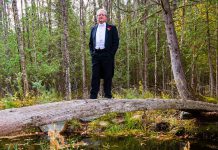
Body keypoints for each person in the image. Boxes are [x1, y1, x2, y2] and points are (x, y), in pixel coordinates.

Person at [89, 8, 119, 99]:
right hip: (96, 55)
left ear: (106, 17)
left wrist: (111, 54)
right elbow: (90, 43)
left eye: (102, 15)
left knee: (108, 75)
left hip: (107, 55)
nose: (100, 16)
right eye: (98, 15)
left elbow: (116, 42)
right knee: (95, 76)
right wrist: (92, 53)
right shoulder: (93, 28)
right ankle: (93, 96)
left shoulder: (112, 28)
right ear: (97, 17)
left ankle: (108, 96)